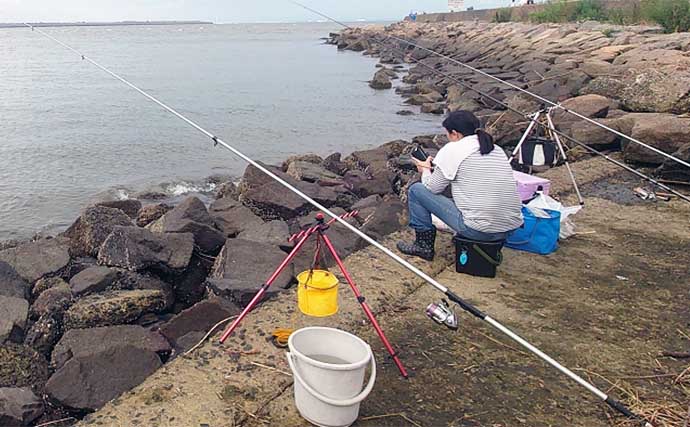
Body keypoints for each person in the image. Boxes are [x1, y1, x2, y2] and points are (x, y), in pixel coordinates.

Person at [397, 110, 523, 261]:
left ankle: (423, 246)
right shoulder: (495, 149)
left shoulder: (453, 149)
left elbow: (431, 188)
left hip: (480, 230)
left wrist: (424, 169)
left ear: (455, 134)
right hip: (510, 228)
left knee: (416, 190)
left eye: (448, 134)